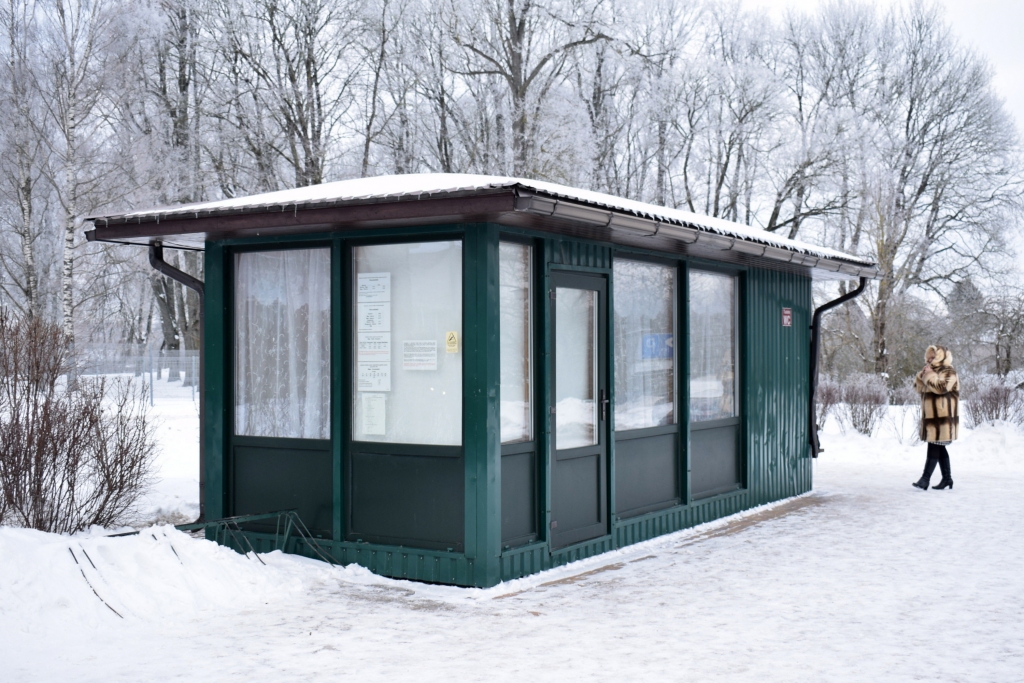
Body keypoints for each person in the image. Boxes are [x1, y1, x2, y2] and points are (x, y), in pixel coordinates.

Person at [912, 345, 960, 490]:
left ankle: (925, 479)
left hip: (943, 416)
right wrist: (922, 376)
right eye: (929, 357)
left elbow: (941, 388)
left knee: (934, 446)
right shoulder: (931, 371)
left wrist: (929, 375)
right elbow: (917, 388)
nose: (930, 360)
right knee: (938, 447)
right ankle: (947, 479)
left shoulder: (949, 371)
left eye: (933, 357)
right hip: (932, 417)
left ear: (941, 357)